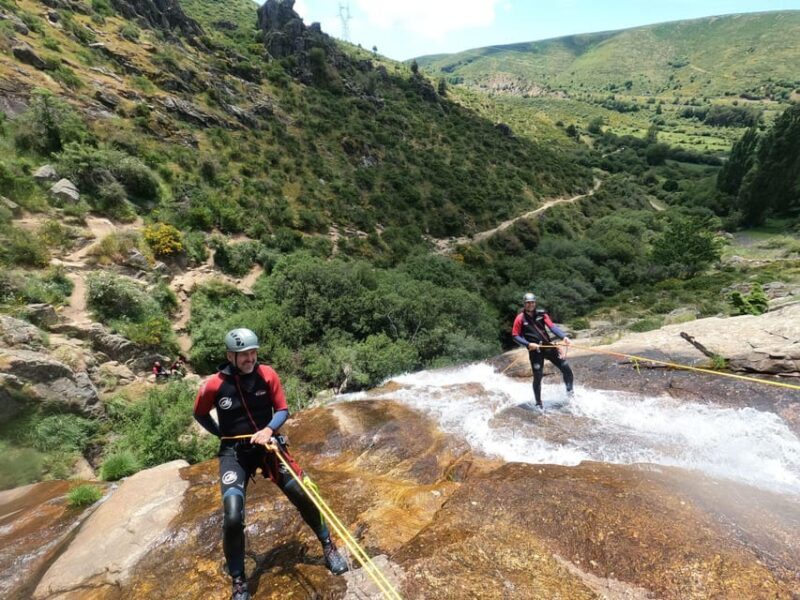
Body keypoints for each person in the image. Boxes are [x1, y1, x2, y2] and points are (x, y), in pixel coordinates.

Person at [193, 328, 348, 600]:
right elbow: (200, 413)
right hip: (235, 454)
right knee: (232, 515)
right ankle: (239, 581)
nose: (250, 358)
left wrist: (268, 430)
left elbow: (282, 410)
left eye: (253, 353)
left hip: (268, 447)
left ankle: (328, 545)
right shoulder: (214, 385)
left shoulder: (267, 374)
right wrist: (222, 434)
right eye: (244, 355)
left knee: (303, 492)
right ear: (230, 356)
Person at [511, 292, 574, 408]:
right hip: (535, 350)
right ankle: (538, 404)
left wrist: (564, 337)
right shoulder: (520, 318)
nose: (530, 304)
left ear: (535, 303)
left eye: (532, 302)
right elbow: (515, 335)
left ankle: (570, 395)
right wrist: (528, 344)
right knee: (538, 377)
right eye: (528, 303)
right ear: (524, 304)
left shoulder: (542, 314)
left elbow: (552, 327)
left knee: (566, 369)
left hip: (548, 346)